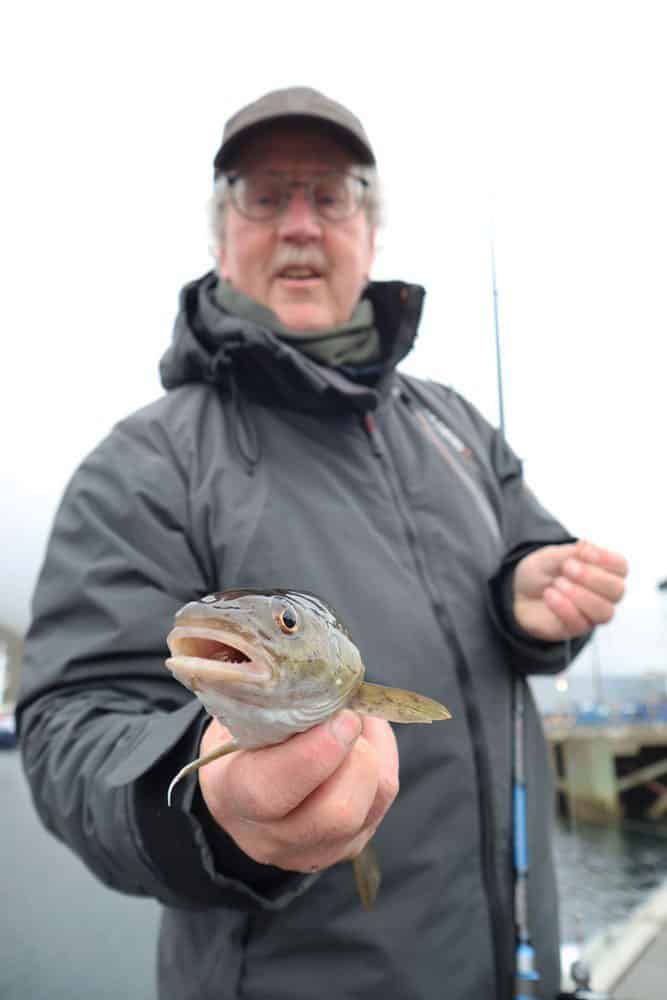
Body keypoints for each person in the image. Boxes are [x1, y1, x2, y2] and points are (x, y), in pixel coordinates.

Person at [17, 87, 628, 1000]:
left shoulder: (455, 426)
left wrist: (530, 602)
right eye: (266, 196)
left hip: (513, 963)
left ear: (369, 232)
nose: (300, 224)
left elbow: (526, 563)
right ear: (222, 234)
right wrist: (213, 814)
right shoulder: (141, 464)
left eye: (330, 195)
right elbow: (71, 732)